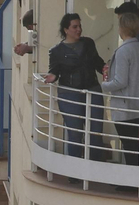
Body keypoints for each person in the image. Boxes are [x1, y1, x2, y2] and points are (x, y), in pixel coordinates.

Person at [44, 12, 106, 160]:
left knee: (95, 134)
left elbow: (97, 62)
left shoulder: (88, 43)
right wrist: (52, 77)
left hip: (92, 90)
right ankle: (75, 172)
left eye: (79, 26)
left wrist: (105, 68)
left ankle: (97, 171)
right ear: (66, 30)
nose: (78, 29)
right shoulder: (56, 51)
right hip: (70, 94)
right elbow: (54, 71)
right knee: (75, 133)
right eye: (74, 27)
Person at [99, 8, 139, 166]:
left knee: (129, 146)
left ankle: (130, 183)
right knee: (135, 146)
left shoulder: (123, 51)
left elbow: (120, 81)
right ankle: (136, 181)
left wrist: (104, 85)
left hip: (125, 107)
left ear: (122, 28)